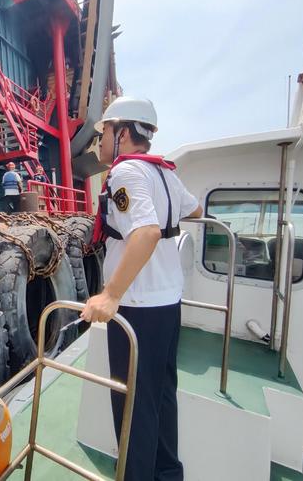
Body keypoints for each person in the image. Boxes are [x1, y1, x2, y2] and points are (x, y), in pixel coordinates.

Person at [81, 96, 203, 481]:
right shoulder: (165, 173)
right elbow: (194, 210)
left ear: (124, 132)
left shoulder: (126, 174)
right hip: (168, 304)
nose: (99, 141)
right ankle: (168, 474)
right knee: (162, 397)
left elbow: (147, 231)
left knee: (133, 406)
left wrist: (110, 294)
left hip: (137, 309)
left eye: (104, 132)